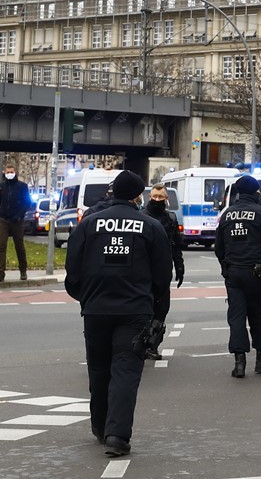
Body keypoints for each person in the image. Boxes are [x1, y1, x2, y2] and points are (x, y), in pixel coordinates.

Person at [65, 170, 171, 458]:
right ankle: (117, 436)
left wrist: (85, 297)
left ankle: (100, 426)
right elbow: (163, 274)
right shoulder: (150, 226)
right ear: (138, 195)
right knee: (125, 370)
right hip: (134, 309)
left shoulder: (88, 224)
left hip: (96, 309)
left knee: (98, 369)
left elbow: (72, 268)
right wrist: (154, 302)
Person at [215, 175, 261, 379]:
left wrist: (227, 265)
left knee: (236, 317)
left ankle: (239, 363)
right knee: (260, 315)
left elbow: (219, 247)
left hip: (234, 273)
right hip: (258, 274)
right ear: (256, 193)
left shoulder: (227, 214)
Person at [141, 184, 185, 359]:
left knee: (162, 309)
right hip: (144, 271)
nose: (157, 200)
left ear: (166, 199)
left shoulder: (170, 218)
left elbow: (176, 245)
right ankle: (142, 344)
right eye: (154, 197)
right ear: (149, 197)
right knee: (145, 309)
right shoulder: (141, 217)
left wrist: (180, 267)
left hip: (163, 270)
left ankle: (152, 345)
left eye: (161, 197)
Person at [0, 164, 33, 281]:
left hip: (17, 220)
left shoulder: (22, 186)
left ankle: (23, 270)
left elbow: (27, 202)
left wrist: (19, 215)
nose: (9, 174)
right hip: (3, 219)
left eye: (11, 172)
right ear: (4, 172)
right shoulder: (2, 186)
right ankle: (0, 273)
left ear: (15, 172)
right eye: (8, 172)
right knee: (1, 245)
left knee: (19, 245)